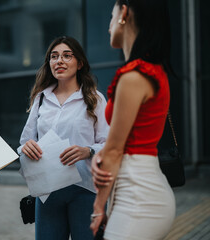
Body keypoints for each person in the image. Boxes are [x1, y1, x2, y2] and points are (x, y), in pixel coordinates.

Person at [89, 0, 176, 239]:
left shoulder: (134, 76)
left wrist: (98, 208)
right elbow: (121, 146)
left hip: (139, 199)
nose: (108, 26)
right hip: (141, 191)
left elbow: (116, 151)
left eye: (111, 15)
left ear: (123, 13)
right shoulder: (151, 71)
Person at [18, 36, 109, 240]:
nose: (59, 61)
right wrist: (26, 148)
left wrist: (88, 150)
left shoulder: (95, 99)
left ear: (80, 63)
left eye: (67, 56)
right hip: (48, 191)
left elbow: (109, 145)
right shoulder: (41, 99)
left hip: (85, 189)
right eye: (54, 56)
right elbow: (24, 143)